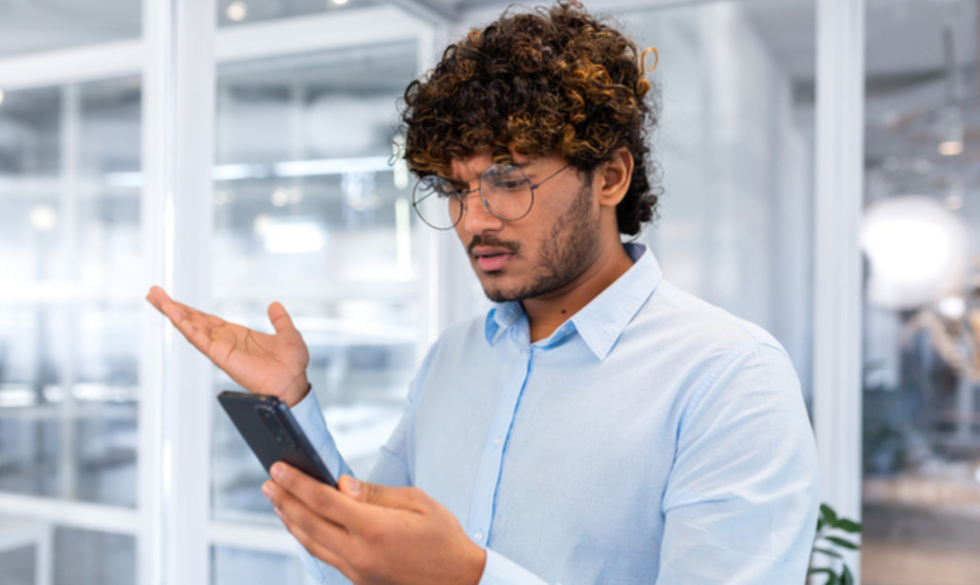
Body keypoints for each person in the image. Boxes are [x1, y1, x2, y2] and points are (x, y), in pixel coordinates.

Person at [147, 1, 819, 583]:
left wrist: (471, 577)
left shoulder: (731, 378)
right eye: (456, 188)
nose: (474, 219)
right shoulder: (453, 359)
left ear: (610, 177)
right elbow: (362, 563)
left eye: (507, 178)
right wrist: (292, 408)